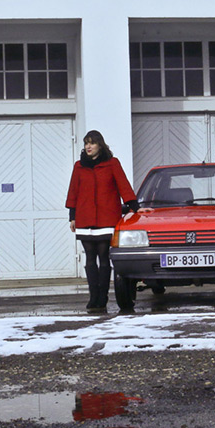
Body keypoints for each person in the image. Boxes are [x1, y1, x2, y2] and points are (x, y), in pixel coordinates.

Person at [65, 131, 144, 312]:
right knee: (89, 258)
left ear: (100, 145)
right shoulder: (79, 166)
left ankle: (103, 297)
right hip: (85, 218)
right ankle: (93, 297)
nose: (88, 147)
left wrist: (135, 207)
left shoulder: (112, 163)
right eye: (86, 143)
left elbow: (123, 185)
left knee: (103, 257)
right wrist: (72, 216)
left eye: (92, 143)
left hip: (106, 217)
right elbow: (73, 191)